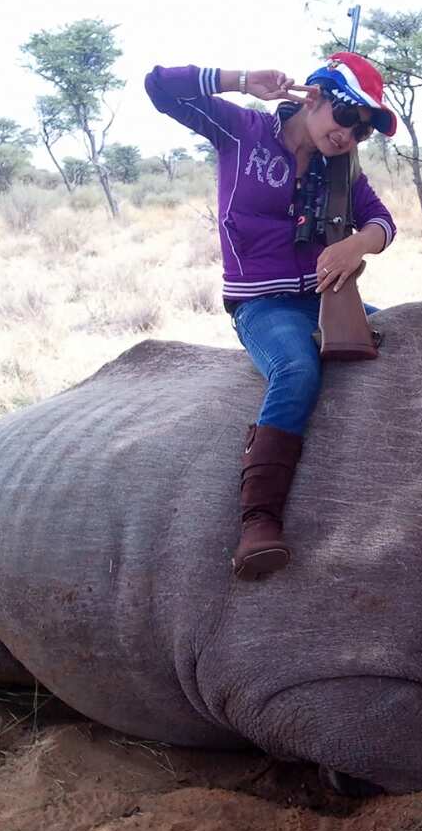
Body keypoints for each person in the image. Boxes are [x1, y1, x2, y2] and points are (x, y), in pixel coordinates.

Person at [145, 53, 398, 580]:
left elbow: (381, 220)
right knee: (297, 369)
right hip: (262, 303)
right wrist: (240, 80)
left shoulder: (342, 168)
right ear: (314, 97)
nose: (350, 134)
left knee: (408, 336)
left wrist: (359, 244)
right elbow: (161, 88)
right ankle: (259, 520)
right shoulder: (242, 129)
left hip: (327, 298)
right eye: (346, 116)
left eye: (364, 129)